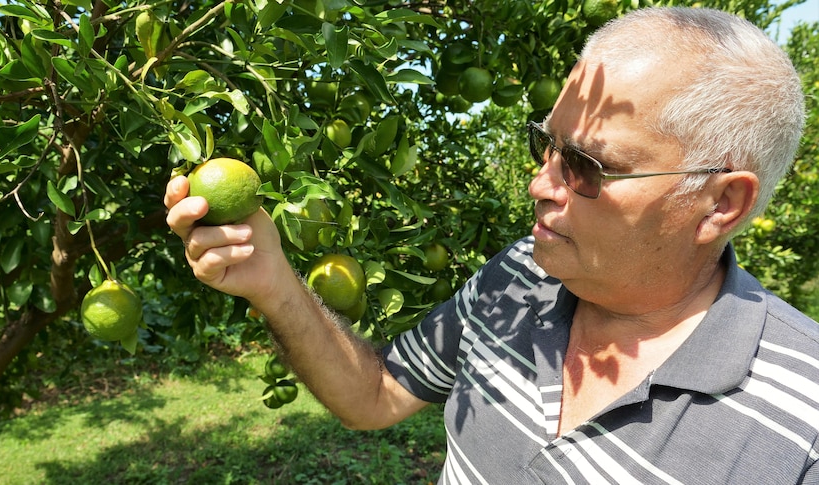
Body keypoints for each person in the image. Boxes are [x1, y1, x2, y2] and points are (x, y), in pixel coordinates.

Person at [165, 7, 818, 484]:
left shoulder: (801, 427)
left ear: (720, 202)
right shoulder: (518, 278)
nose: (541, 183)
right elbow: (377, 393)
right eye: (547, 146)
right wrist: (275, 282)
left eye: (587, 166)